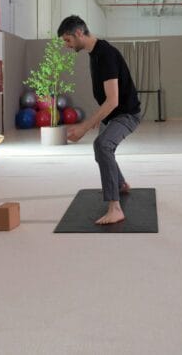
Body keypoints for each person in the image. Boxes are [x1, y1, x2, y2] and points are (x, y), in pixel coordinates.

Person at [58, 15, 141, 225]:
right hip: (114, 113)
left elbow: (113, 101)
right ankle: (120, 184)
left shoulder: (105, 54)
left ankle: (115, 208)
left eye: (68, 40)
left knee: (102, 145)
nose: (67, 46)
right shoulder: (94, 53)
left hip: (126, 114)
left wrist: (85, 127)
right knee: (102, 148)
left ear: (79, 33)